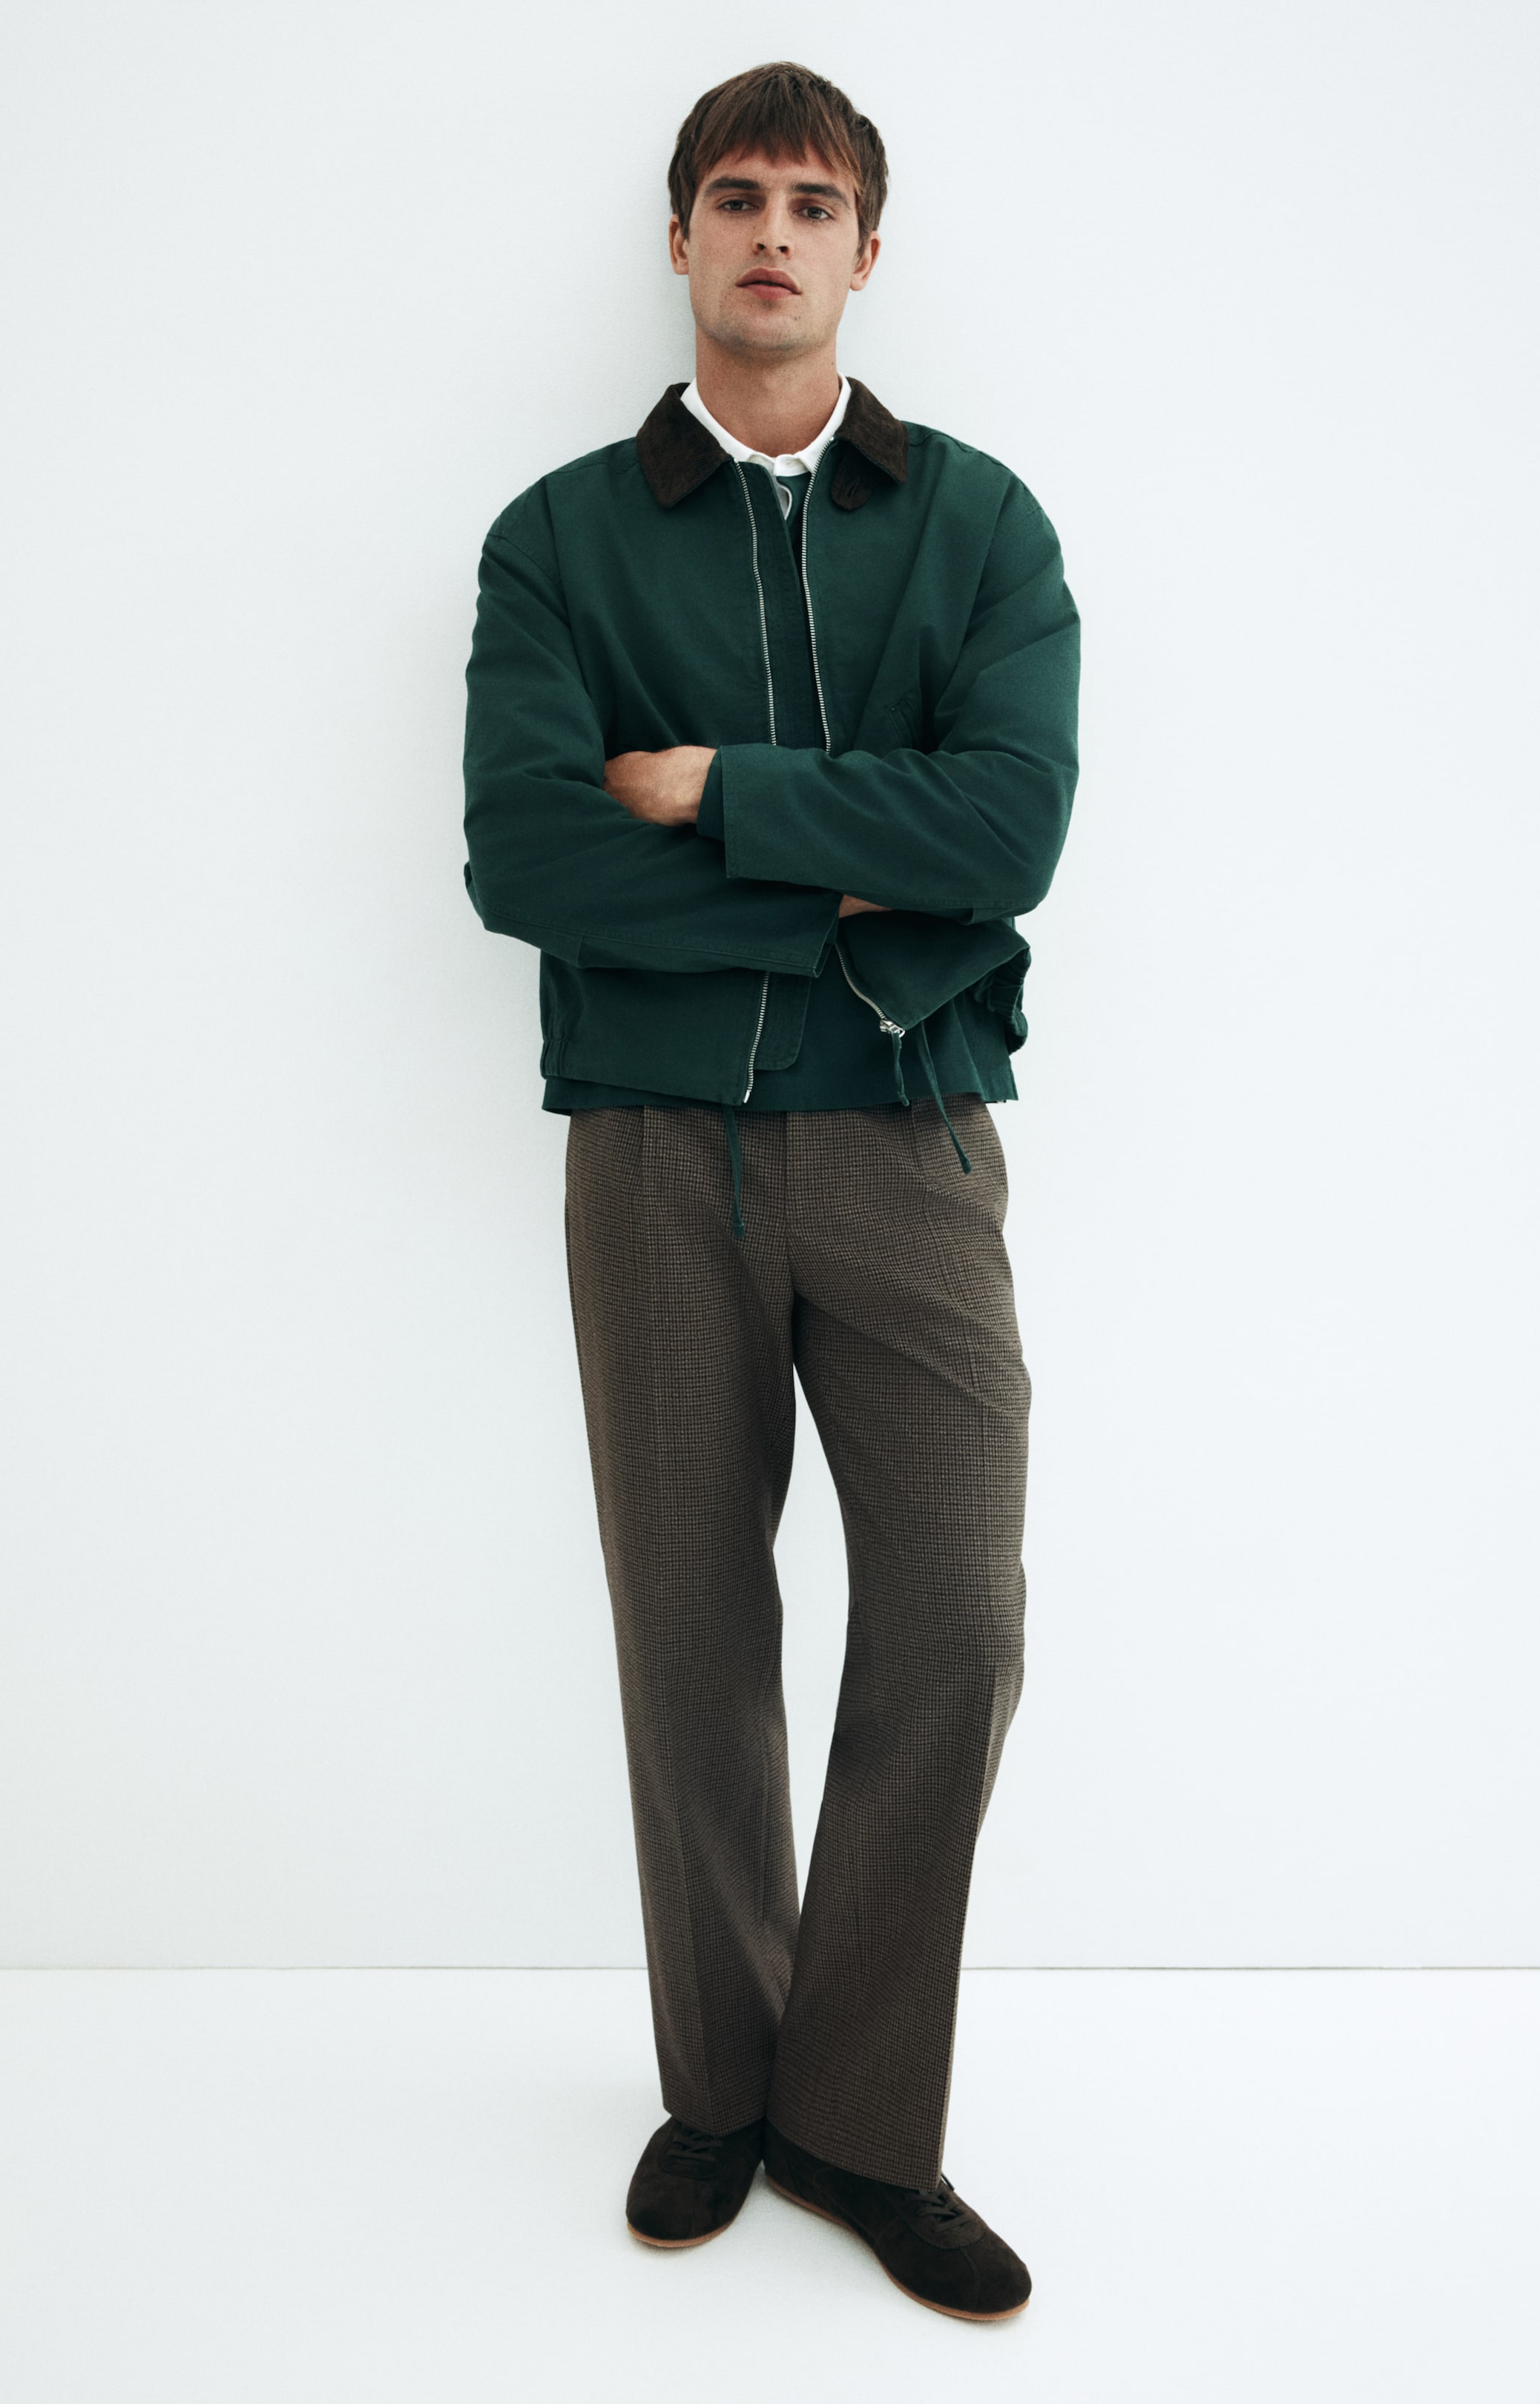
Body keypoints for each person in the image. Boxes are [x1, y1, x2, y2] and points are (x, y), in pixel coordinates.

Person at [462, 59, 1079, 2322]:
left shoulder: (980, 525)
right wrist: (855, 872)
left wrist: (718, 791)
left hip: (910, 1139)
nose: (773, 234)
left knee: (956, 1621)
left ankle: (860, 2122)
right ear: (681, 238)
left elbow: (1008, 833)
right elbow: (528, 862)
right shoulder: (560, 539)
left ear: (867, 253)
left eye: (815, 205)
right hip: (653, 1151)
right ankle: (723, 2085)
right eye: (737, 198)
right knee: (692, 1631)